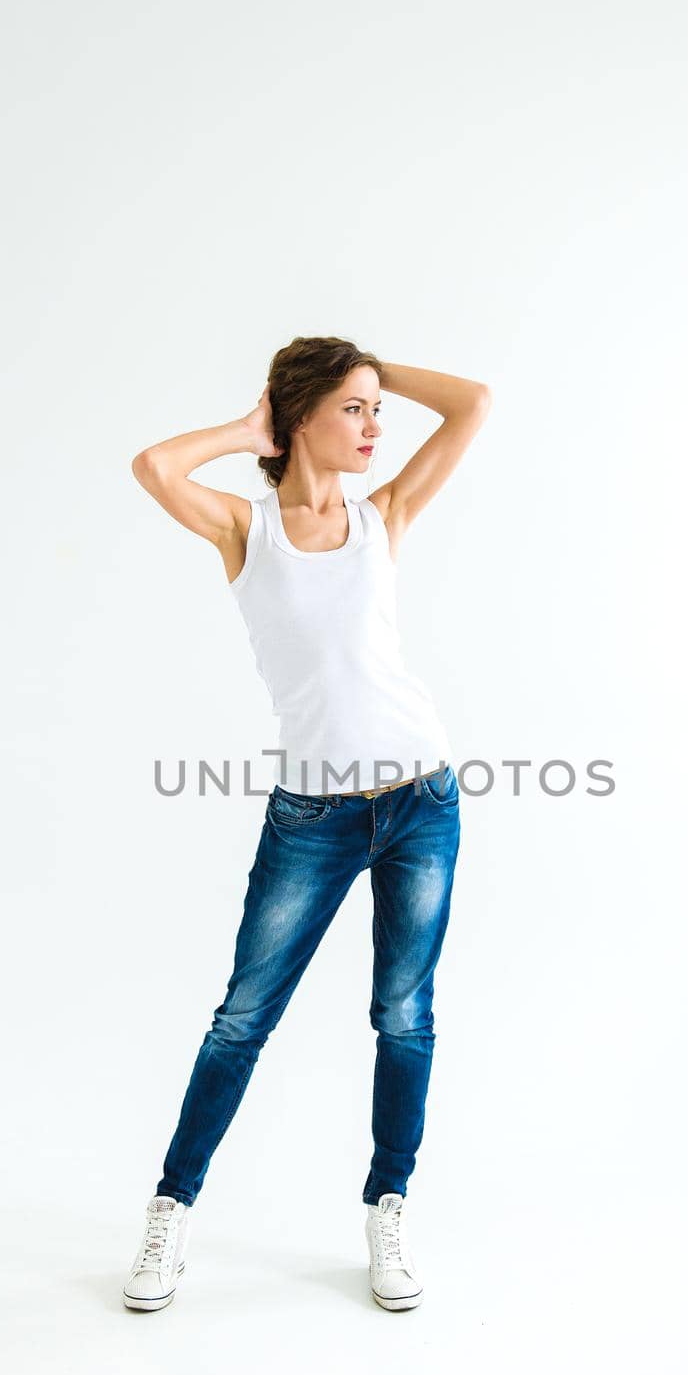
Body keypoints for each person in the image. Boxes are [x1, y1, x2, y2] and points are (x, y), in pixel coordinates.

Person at [123, 337, 491, 1312]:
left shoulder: (385, 517)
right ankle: (170, 1209)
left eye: (377, 411)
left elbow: (472, 404)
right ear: (302, 420)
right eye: (356, 410)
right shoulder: (246, 530)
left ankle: (387, 1208)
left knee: (403, 1016)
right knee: (243, 1019)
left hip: (421, 800)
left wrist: (375, 367)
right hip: (313, 818)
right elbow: (154, 466)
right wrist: (252, 430)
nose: (375, 427)